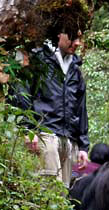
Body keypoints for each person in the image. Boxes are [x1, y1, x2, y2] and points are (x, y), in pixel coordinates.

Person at [9, 21, 89, 188]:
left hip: (68, 140)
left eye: (79, 38)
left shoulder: (75, 68)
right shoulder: (37, 60)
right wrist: (28, 130)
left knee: (63, 193)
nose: (77, 43)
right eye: (73, 38)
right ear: (59, 34)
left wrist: (83, 146)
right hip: (45, 136)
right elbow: (21, 94)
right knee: (49, 190)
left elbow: (81, 108)